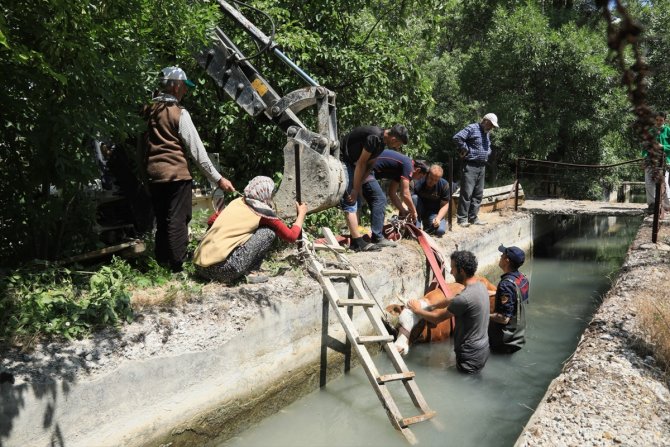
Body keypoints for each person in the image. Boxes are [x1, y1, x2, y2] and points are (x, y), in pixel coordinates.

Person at [142, 66, 236, 272]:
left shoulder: (147, 111)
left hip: (153, 176)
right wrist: (218, 179)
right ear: (175, 87)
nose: (185, 91)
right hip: (176, 176)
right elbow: (198, 152)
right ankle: (177, 267)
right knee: (178, 219)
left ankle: (161, 263)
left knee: (161, 218)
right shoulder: (179, 113)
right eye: (184, 87)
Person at [193, 176, 307, 283]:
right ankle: (251, 272)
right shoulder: (263, 213)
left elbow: (211, 220)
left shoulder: (237, 202)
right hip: (223, 272)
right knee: (268, 232)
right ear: (266, 194)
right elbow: (291, 236)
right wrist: (301, 213)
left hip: (199, 267)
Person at [407, 250, 490, 374]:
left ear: (461, 271)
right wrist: (432, 305)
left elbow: (437, 318)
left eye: (452, 268)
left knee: (466, 383)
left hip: (469, 355)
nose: (451, 272)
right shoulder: (480, 286)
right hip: (482, 349)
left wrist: (417, 310)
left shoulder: (464, 299)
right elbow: (453, 299)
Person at [339, 124, 409, 251]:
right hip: (344, 158)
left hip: (355, 164)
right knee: (350, 200)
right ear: (394, 139)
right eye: (398, 145)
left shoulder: (381, 142)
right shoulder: (374, 137)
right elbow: (361, 163)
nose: (397, 148)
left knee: (357, 201)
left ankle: (356, 240)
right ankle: (357, 243)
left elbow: (369, 165)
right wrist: (354, 189)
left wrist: (359, 184)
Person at [361, 150, 428, 247]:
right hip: (366, 169)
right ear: (417, 170)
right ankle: (377, 238)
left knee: (377, 201)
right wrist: (414, 212)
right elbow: (405, 194)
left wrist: (403, 211)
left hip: (367, 169)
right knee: (380, 199)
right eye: (420, 176)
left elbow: (392, 193)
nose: (417, 179)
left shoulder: (401, 169)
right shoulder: (408, 165)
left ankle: (375, 236)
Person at [453, 113, 499, 227]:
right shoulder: (472, 128)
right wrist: (464, 149)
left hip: (482, 166)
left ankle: (473, 218)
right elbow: (457, 137)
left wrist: (488, 151)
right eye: (491, 125)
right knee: (467, 193)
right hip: (470, 165)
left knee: (478, 194)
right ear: (486, 121)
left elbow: (487, 146)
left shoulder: (486, 133)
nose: (492, 128)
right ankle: (462, 219)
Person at [489, 244, 530, 354]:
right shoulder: (522, 278)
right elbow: (515, 296)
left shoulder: (505, 285)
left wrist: (482, 314)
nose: (500, 257)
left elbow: (504, 319)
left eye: (502, 255)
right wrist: (495, 293)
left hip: (504, 342)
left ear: (507, 260)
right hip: (518, 335)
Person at [411, 164, 452, 237]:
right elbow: (408, 199)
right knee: (414, 198)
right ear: (427, 174)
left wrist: (438, 218)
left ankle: (428, 225)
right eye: (431, 178)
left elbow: (445, 205)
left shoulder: (444, 185)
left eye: (435, 180)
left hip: (434, 213)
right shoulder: (418, 180)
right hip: (419, 211)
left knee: (440, 231)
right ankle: (417, 224)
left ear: (439, 179)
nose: (432, 182)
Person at [643, 111, 670, 213]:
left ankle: (667, 206)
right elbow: (645, 147)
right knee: (649, 183)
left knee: (664, 183)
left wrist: (663, 146)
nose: (659, 122)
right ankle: (652, 205)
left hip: (664, 160)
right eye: (657, 120)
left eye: (661, 120)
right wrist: (645, 157)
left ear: (664, 120)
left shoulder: (668, 130)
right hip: (650, 160)